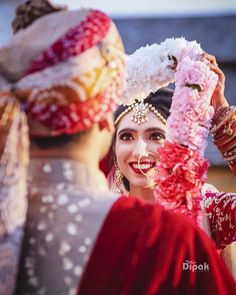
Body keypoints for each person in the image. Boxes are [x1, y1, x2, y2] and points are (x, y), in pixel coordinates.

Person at [0, 2, 235, 295]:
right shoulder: (173, 237)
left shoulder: (207, 208)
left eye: (154, 135)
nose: (138, 152)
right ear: (105, 128)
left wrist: (224, 120)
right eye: (126, 137)